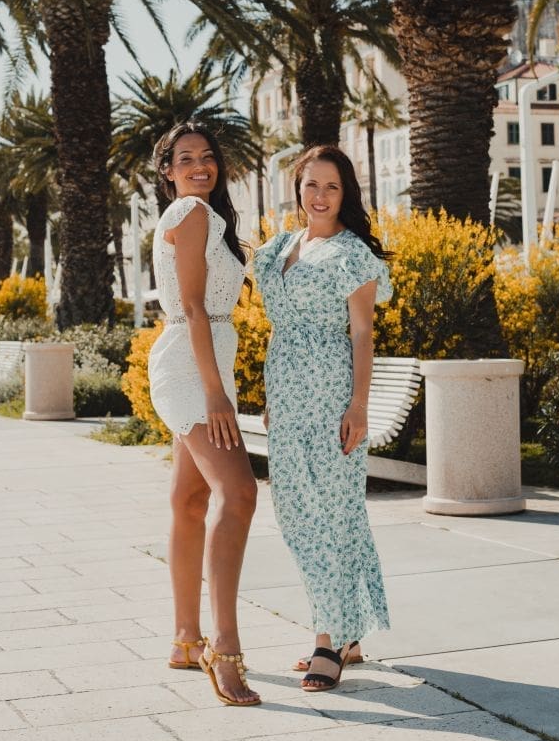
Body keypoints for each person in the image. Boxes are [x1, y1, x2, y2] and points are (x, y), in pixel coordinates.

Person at [253, 143, 392, 691]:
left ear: (345, 193)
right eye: (311, 184)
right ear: (297, 189)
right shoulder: (281, 247)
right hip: (288, 398)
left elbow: (363, 332)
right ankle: (347, 632)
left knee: (332, 516)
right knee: (295, 511)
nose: (320, 195)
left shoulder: (352, 253)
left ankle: (327, 640)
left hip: (332, 396)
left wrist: (359, 404)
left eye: (331, 186)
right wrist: (274, 396)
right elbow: (281, 327)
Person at [149, 121, 260, 707]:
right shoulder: (190, 213)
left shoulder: (207, 218)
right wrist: (216, 394)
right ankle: (224, 646)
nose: (200, 166)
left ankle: (186, 640)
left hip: (202, 361)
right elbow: (192, 307)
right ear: (167, 171)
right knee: (238, 493)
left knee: (191, 499)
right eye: (186, 158)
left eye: (207, 156)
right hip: (194, 370)